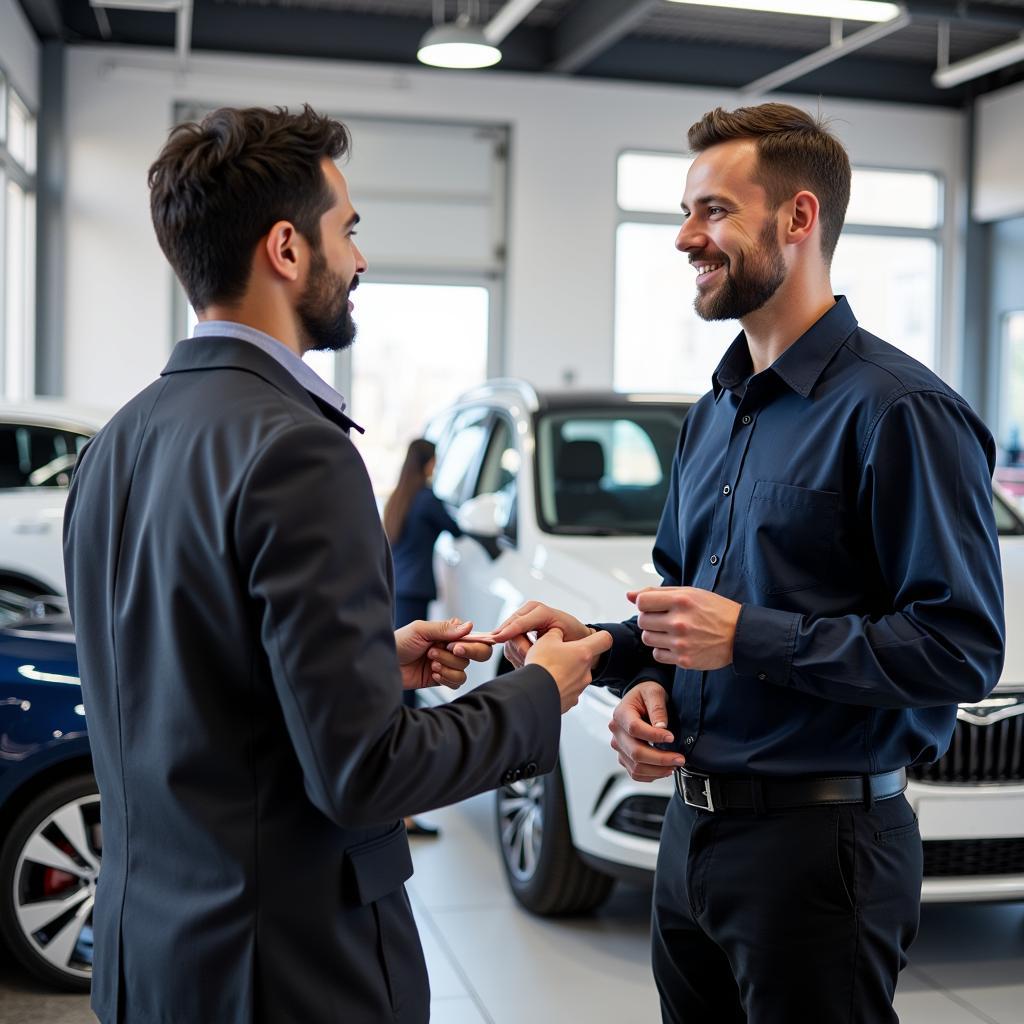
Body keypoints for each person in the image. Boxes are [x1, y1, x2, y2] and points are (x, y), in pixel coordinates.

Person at [62, 105, 611, 1024]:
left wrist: (367, 659)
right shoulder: (298, 450)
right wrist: (536, 694)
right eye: (347, 231)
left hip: (143, 958)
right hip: (284, 970)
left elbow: (178, 686)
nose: (359, 259)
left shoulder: (114, 445)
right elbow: (366, 775)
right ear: (286, 247)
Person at [491, 103, 1005, 1023]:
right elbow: (689, 619)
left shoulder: (900, 413)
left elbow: (958, 649)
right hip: (689, 839)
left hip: (822, 851)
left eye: (715, 211)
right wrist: (614, 660)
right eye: (689, 212)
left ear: (799, 219)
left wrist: (752, 637)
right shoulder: (713, 415)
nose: (688, 236)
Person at [384, 436, 462, 835]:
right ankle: (402, 810)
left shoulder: (398, 497)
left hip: (395, 592)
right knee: (407, 699)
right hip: (413, 594)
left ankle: (398, 806)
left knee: (399, 693)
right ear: (429, 463)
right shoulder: (427, 499)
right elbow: (457, 527)